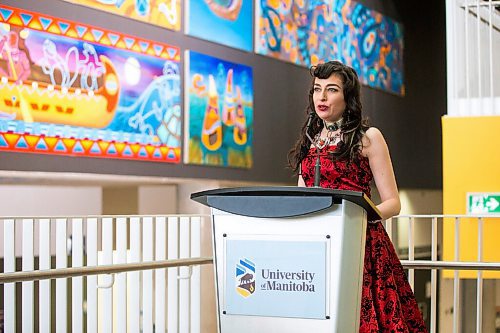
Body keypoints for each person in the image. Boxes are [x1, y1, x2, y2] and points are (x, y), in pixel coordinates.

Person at [288, 61, 427, 332]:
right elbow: (302, 195)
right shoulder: (310, 140)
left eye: (331, 90)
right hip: (317, 246)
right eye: (317, 90)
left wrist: (360, 214)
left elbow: (393, 203)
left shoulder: (368, 137)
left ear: (347, 97)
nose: (322, 97)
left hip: (361, 245)